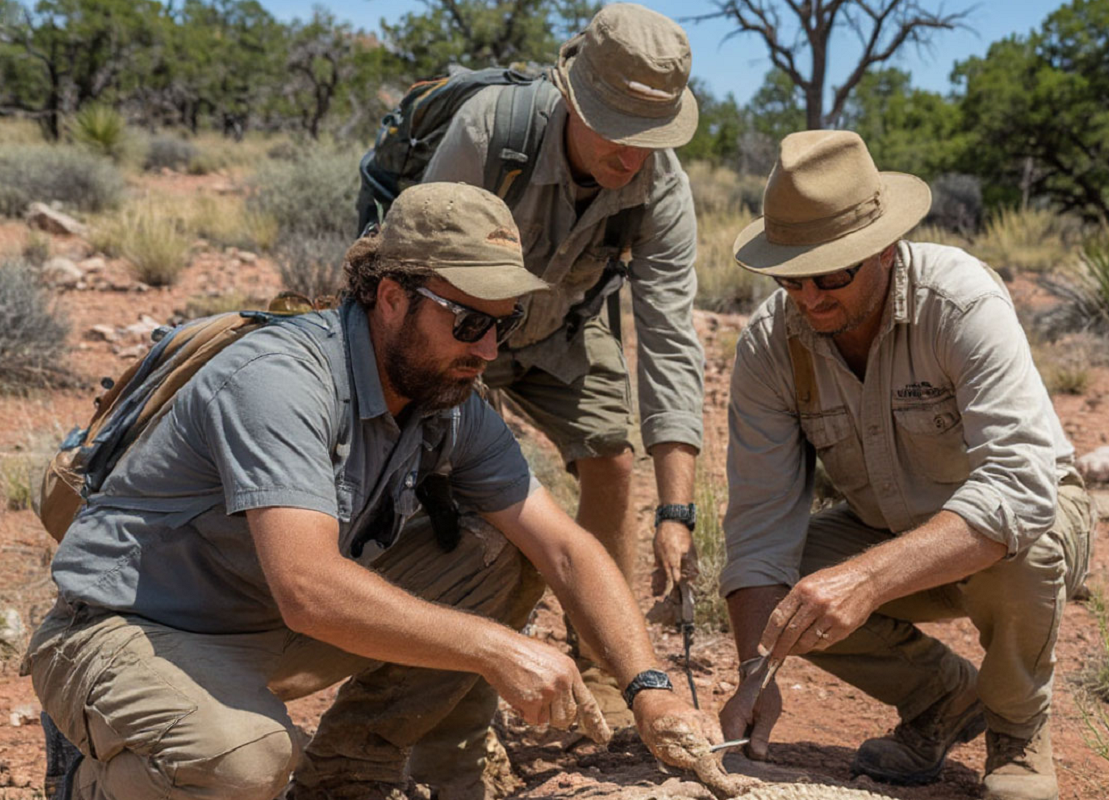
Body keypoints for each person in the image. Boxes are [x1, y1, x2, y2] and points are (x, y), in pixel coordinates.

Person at [24, 183, 717, 800]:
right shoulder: (280, 379)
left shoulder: (446, 394)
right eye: (469, 322)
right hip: (131, 629)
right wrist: (493, 647)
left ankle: (348, 775)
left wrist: (648, 690)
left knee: (500, 554)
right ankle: (89, 778)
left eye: (502, 325)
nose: (488, 351)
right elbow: (309, 588)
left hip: (271, 626)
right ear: (391, 299)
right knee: (241, 765)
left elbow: (564, 549)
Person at [716, 131, 1094, 800]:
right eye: (789, 276)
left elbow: (1022, 487)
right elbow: (757, 528)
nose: (809, 298)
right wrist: (756, 672)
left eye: (832, 273)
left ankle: (1016, 732)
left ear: (884, 249)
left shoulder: (961, 301)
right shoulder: (771, 346)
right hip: (887, 530)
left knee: (1022, 544)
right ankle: (943, 698)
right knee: (784, 592)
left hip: (1017, 531)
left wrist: (865, 578)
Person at [414, 3, 706, 689]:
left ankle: (605, 669)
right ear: (573, 98)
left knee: (610, 457)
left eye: (650, 135)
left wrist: (677, 513)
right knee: (444, 485)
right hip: (454, 322)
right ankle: (434, 670)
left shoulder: (659, 185)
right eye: (616, 130)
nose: (631, 155)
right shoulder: (490, 133)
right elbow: (415, 272)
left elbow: (668, 338)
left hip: (561, 326)